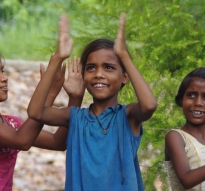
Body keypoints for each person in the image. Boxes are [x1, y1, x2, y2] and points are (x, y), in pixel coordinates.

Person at [27, 13, 157, 191]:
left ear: (125, 77)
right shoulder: (75, 117)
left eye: (109, 67)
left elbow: (149, 105)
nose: (98, 74)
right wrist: (58, 58)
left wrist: (124, 56)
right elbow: (35, 112)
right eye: (91, 68)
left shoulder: (128, 116)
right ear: (83, 75)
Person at [0, 42, 84, 190]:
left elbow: (57, 142)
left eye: (3, 71)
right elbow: (21, 141)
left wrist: (75, 98)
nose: (4, 78)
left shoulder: (12, 124)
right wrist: (54, 66)